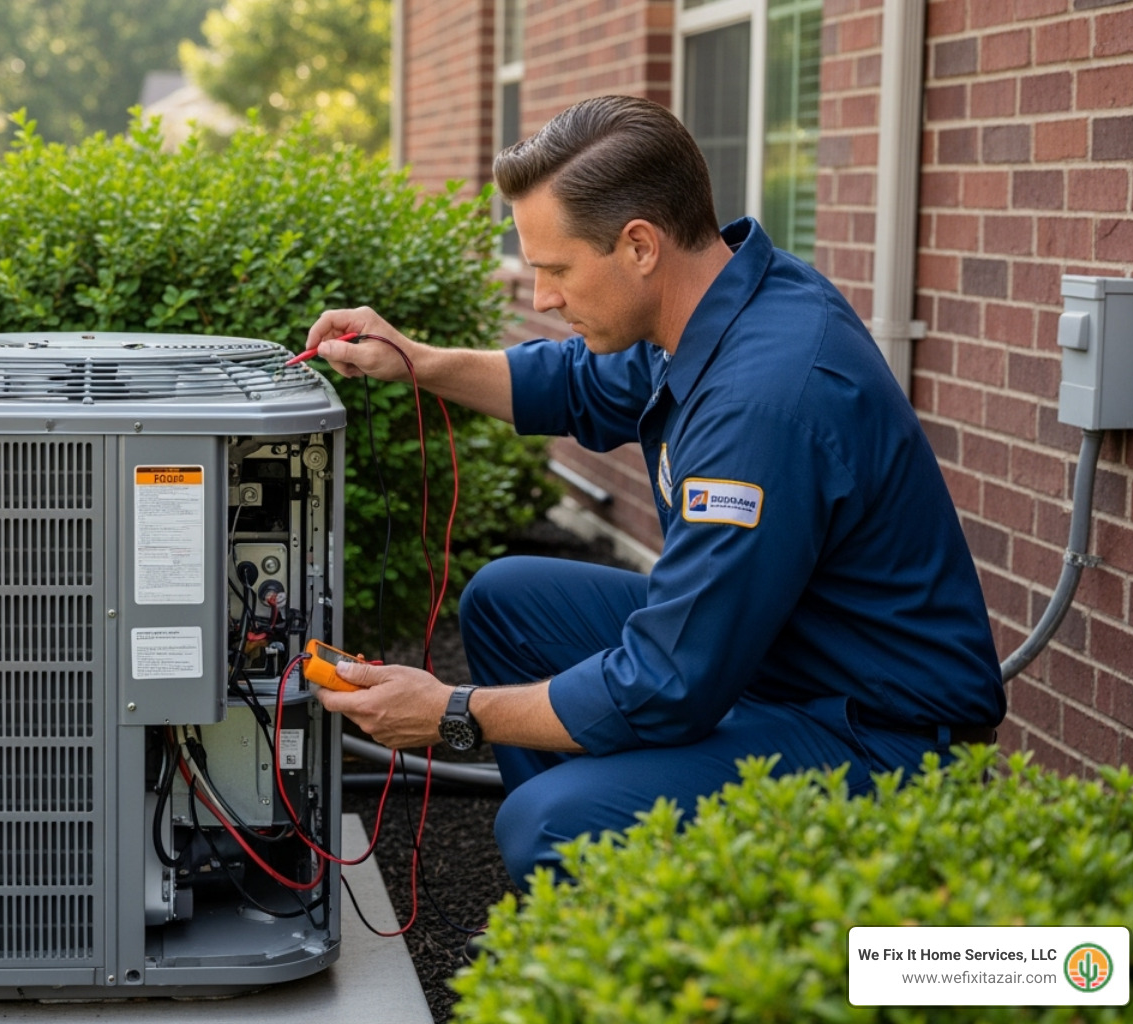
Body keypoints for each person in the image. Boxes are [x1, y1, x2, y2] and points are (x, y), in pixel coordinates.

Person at [299, 95, 1005, 886]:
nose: (542, 298)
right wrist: (416, 359)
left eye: (556, 269)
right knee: (506, 600)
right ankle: (593, 885)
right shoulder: (723, 299)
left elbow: (670, 680)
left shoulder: (760, 404)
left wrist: (453, 712)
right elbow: (573, 383)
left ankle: (615, 912)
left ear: (639, 245)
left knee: (546, 823)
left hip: (871, 735)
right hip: (779, 656)